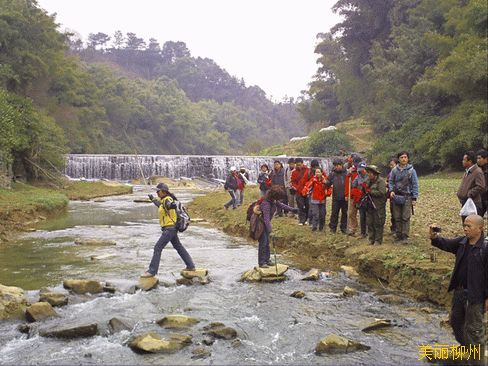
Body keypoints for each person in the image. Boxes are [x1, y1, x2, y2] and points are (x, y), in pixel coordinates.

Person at [430, 215, 487, 362]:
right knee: (455, 322)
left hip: (476, 296)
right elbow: (445, 244)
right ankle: (467, 351)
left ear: (480, 228)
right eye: (464, 226)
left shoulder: (485, 248)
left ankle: (477, 361)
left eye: (469, 226)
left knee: (474, 330)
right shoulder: (462, 242)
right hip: (460, 292)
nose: (465, 229)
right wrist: (434, 236)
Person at [141, 183, 195, 277]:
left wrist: (173, 205)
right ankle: (190, 266)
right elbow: (161, 205)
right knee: (179, 247)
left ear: (164, 191)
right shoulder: (163, 201)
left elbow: (169, 205)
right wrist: (152, 199)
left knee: (158, 247)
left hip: (169, 229)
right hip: (171, 229)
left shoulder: (168, 200)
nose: (157, 192)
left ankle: (152, 271)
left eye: (158, 191)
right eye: (156, 191)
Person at [258, 186, 298, 267]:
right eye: (279, 197)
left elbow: (282, 205)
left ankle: (267, 260)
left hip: (266, 223)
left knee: (267, 243)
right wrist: (270, 230)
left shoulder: (272, 200)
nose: (279, 199)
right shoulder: (266, 203)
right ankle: (262, 262)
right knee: (263, 243)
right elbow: (266, 219)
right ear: (275, 196)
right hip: (260, 224)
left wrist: (293, 209)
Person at [389, 151, 419, 243]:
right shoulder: (394, 170)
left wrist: (414, 198)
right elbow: (391, 181)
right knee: (397, 217)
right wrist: (391, 191)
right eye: (401, 157)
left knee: (405, 217)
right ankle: (398, 235)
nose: (403, 159)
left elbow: (415, 184)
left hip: (407, 197)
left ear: (408, 159)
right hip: (396, 196)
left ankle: (405, 236)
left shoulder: (412, 171)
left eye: (405, 157)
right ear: (399, 159)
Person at [457, 151, 485, 222]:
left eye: (464, 160)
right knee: (467, 227)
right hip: (465, 203)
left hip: (473, 204)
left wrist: (470, 193)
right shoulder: (467, 171)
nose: (462, 161)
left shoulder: (477, 172)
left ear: (470, 161)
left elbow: (481, 186)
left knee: (474, 227)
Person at [364, 165, 387, 245]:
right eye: (368, 173)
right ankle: (371, 239)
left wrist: (370, 191)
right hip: (369, 205)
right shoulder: (367, 181)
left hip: (378, 205)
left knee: (378, 223)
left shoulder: (381, 182)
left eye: (370, 173)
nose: (369, 175)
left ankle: (378, 240)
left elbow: (382, 192)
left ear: (375, 174)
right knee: (370, 222)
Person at [326, 159, 348, 234]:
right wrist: (325, 182)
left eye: (337, 165)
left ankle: (344, 228)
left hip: (345, 197)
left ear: (341, 165)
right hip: (336, 197)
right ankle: (333, 228)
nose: (336, 167)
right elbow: (328, 183)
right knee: (334, 213)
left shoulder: (347, 173)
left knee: (344, 213)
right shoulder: (332, 174)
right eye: (335, 166)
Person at [303, 167, 328, 231]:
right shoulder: (313, 180)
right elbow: (307, 186)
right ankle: (314, 227)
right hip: (314, 200)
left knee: (322, 215)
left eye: (319, 172)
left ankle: (321, 227)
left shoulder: (325, 180)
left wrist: (328, 193)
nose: (317, 173)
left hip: (322, 200)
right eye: (316, 172)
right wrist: (304, 191)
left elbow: (329, 187)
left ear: (321, 173)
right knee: (315, 214)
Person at [350, 162, 368, 238]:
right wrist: (350, 176)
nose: (361, 172)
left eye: (362, 170)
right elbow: (353, 185)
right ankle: (363, 232)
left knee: (368, 216)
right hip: (360, 198)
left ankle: (368, 231)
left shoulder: (370, 176)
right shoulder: (358, 176)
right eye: (360, 170)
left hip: (368, 197)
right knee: (362, 215)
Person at [291, 158, 311, 225]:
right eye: (297, 165)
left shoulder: (308, 171)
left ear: (302, 163)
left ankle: (307, 219)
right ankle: (301, 220)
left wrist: (306, 188)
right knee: (300, 206)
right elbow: (293, 181)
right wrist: (296, 188)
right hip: (298, 192)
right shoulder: (294, 172)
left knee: (308, 205)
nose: (298, 166)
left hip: (307, 191)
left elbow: (310, 180)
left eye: (299, 165)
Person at [386, 157, 399, 234]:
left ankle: (397, 229)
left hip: (398, 195)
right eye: (390, 165)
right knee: (393, 212)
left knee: (397, 213)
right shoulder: (390, 173)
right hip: (391, 195)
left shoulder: (399, 173)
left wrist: (387, 184)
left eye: (392, 165)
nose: (391, 167)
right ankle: (393, 227)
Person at [476, 149, 488, 217]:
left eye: (479, 158)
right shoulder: (478, 170)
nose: (478, 160)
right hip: (480, 199)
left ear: (486, 159)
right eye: (477, 158)